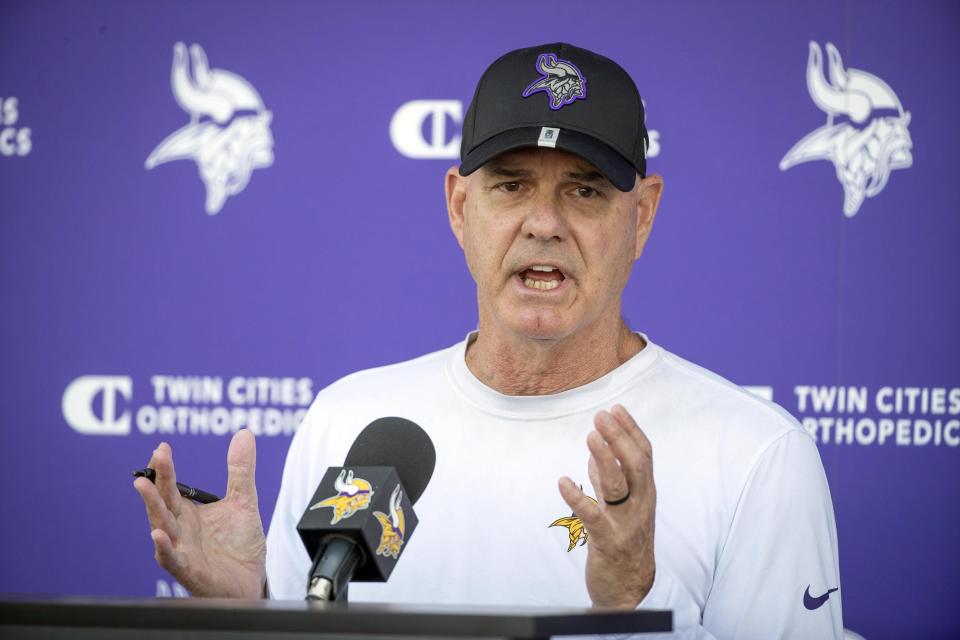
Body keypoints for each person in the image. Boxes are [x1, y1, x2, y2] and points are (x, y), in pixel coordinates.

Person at [135, 42, 843, 639]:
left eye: (586, 190)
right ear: (458, 206)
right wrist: (246, 615)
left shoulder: (758, 457)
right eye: (510, 186)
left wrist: (632, 606)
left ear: (645, 216)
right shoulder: (354, 426)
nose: (543, 223)